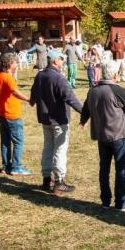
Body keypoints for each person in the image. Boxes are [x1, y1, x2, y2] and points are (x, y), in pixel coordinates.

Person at [79, 59, 125, 212]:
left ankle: (105, 200)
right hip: (118, 135)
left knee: (104, 168)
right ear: (115, 74)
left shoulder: (93, 90)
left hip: (102, 137)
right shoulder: (116, 90)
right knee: (121, 168)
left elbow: (86, 107)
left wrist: (83, 120)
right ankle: (121, 202)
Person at [30, 49, 84, 195]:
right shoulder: (58, 78)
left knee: (48, 147)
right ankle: (59, 181)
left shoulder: (40, 75)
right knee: (60, 150)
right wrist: (85, 112)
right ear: (55, 60)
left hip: (46, 119)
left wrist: (33, 101)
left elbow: (33, 94)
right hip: (59, 119)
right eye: (61, 58)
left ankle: (47, 179)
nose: (63, 61)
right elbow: (70, 97)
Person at [0, 53, 31, 176]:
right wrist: (28, 99)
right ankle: (16, 167)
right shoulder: (8, 77)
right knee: (18, 141)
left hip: (1, 113)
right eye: (15, 62)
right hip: (11, 114)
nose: (17, 64)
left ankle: (6, 166)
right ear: (9, 64)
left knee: (5, 141)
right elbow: (14, 91)